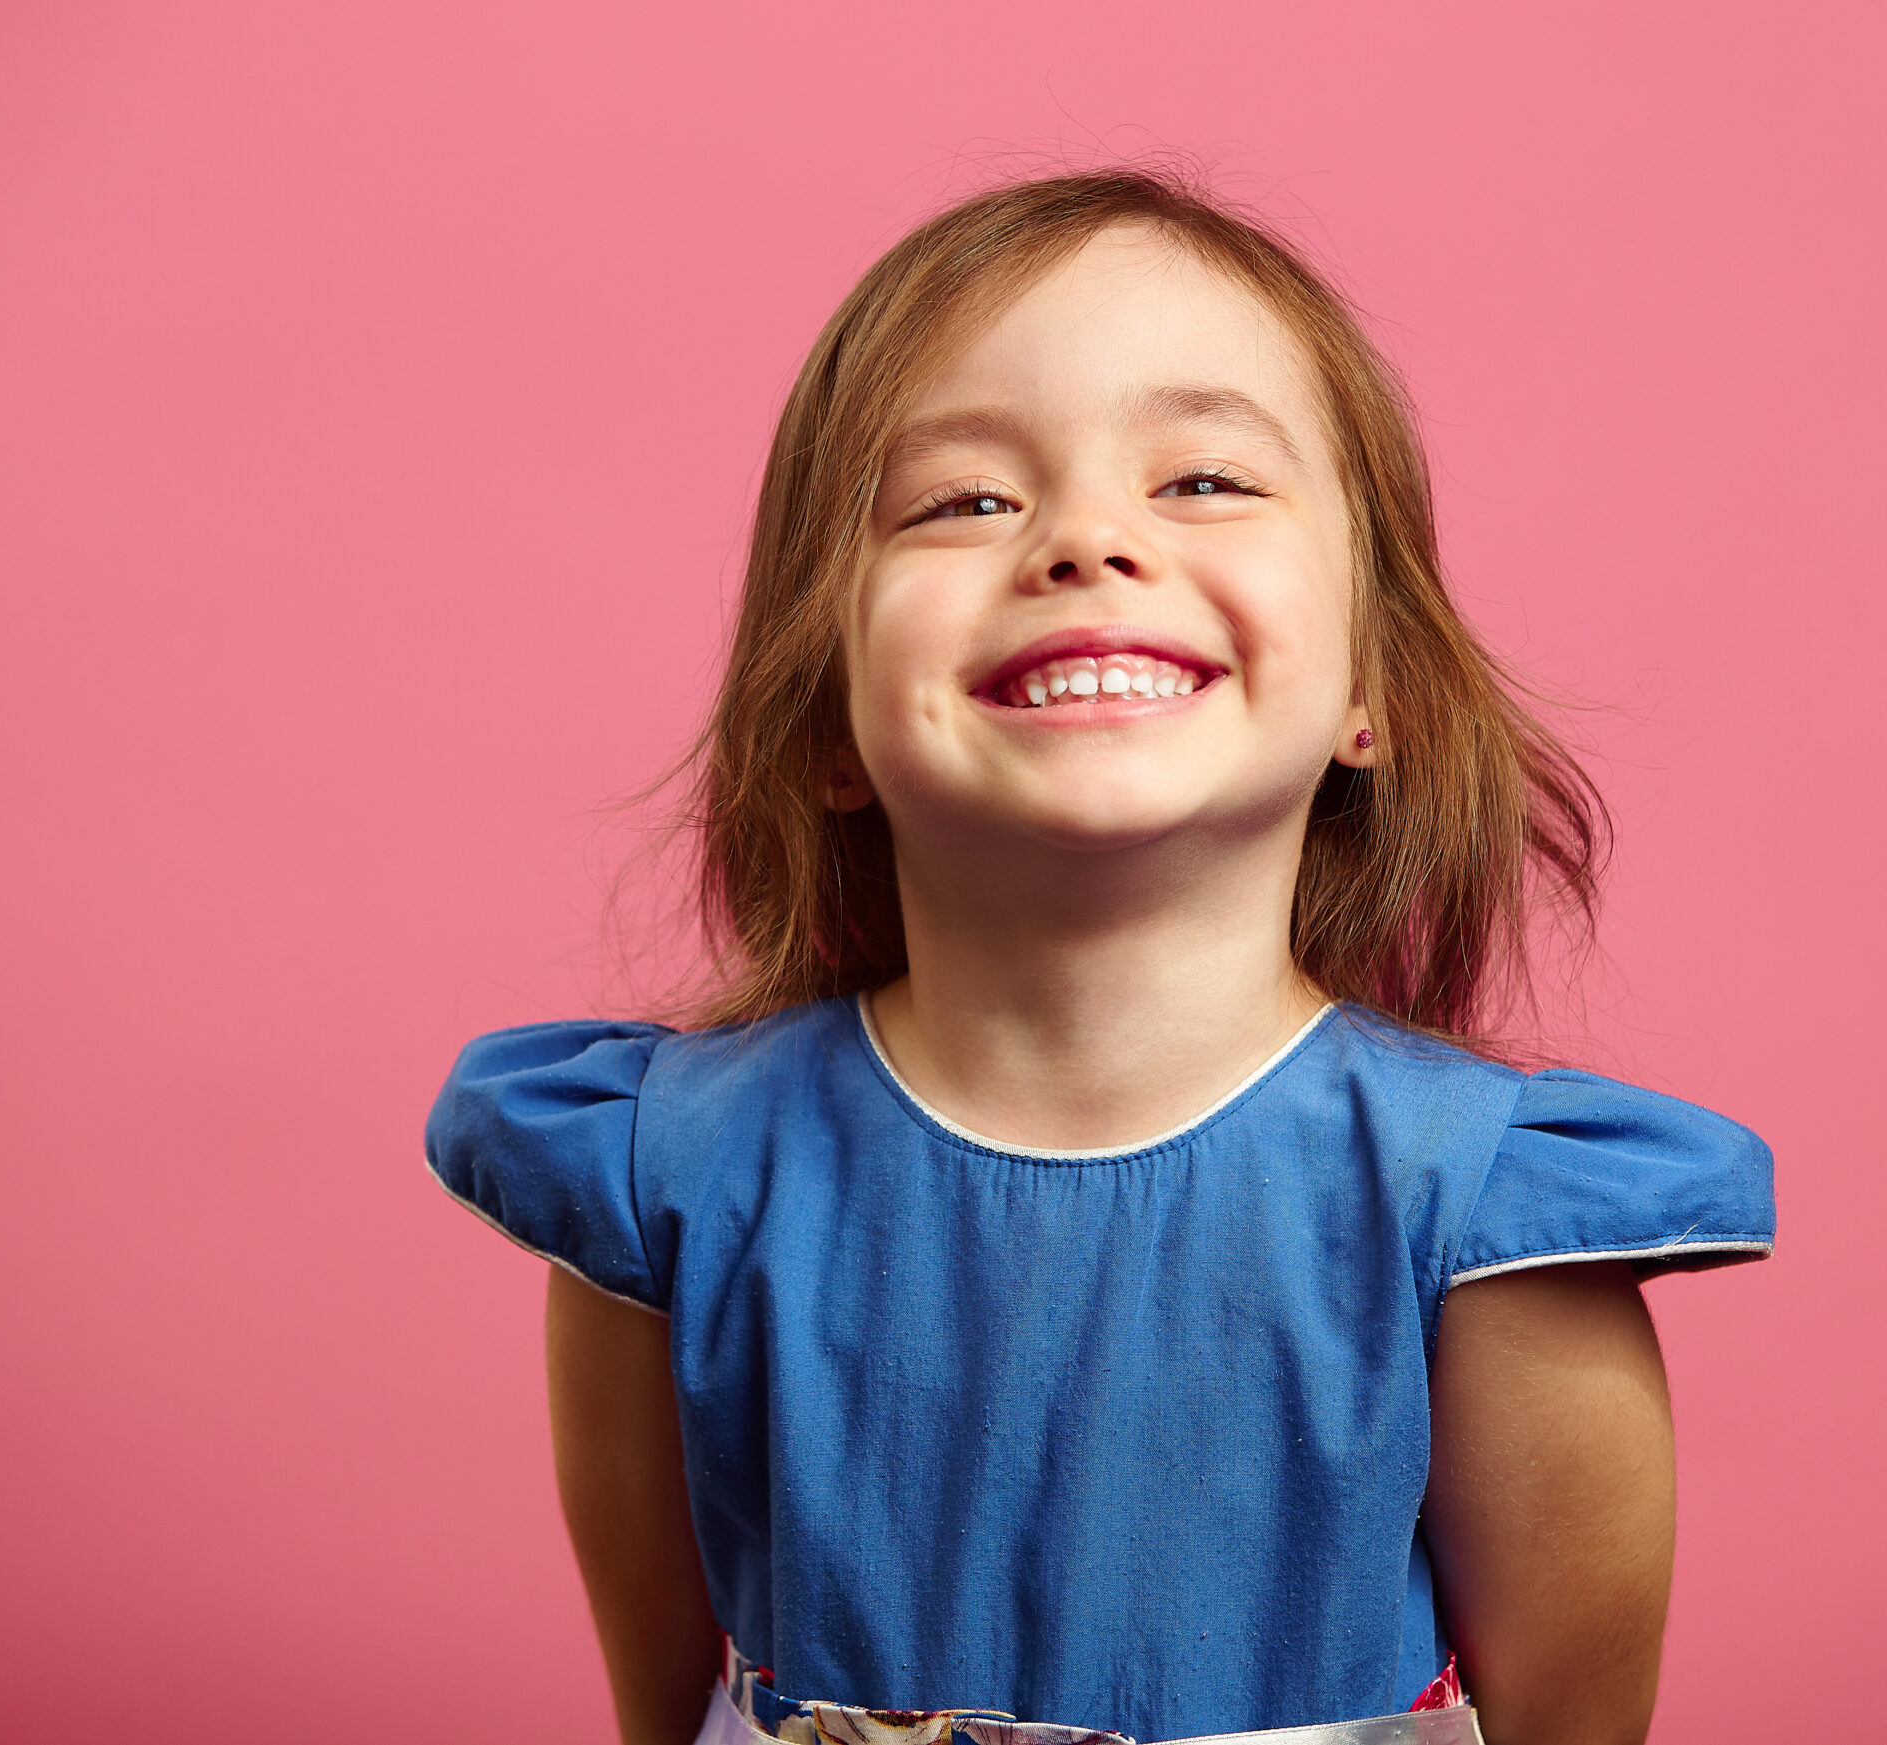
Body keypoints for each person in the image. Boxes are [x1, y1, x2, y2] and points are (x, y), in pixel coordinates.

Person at [427, 169, 1774, 1745]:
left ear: (1376, 691)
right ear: (828, 719)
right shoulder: (666, 1174)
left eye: (1203, 478)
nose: (1083, 538)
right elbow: (662, 1714)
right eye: (965, 500)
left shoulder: (1489, 1224)